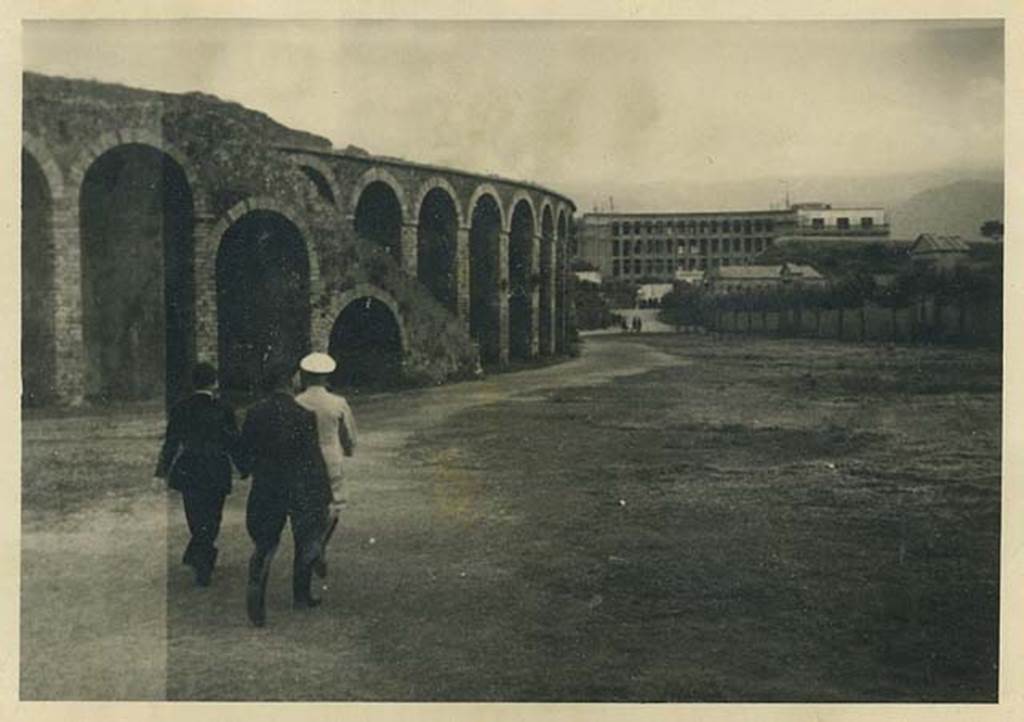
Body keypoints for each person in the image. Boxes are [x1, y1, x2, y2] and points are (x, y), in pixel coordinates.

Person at [237, 362, 334, 627]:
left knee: (266, 541)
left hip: (267, 485)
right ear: (289, 384)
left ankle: (259, 574)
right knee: (304, 541)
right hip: (299, 486)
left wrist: (246, 469)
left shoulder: (254, 413)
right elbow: (313, 458)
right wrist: (324, 492)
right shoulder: (304, 415)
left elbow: (244, 452)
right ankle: (301, 597)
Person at [155, 362, 241, 587]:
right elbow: (233, 442)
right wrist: (244, 466)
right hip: (216, 468)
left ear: (193, 383)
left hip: (190, 467)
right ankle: (203, 559)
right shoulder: (224, 408)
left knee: (195, 517)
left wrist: (162, 470)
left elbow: (171, 442)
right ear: (215, 382)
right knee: (213, 517)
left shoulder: (180, 407)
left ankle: (200, 557)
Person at [295, 352, 357, 578]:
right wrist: (348, 450)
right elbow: (349, 437)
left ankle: (311, 546)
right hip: (331, 460)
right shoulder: (338, 403)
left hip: (303, 462)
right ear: (326, 377)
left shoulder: (296, 402)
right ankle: (319, 545)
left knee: (307, 506)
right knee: (333, 506)